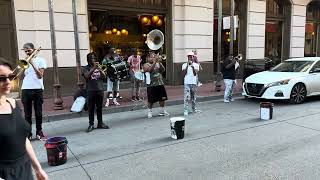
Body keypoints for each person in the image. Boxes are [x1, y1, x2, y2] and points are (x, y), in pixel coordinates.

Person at [0, 57, 48, 180]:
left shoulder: (13, 103)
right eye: (1, 78)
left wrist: (38, 168)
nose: (8, 82)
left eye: (10, 77)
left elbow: (23, 138)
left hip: (24, 168)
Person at [21, 43, 46, 140]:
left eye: (29, 50)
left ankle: (39, 132)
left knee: (38, 113)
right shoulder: (25, 62)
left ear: (34, 50)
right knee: (27, 114)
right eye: (25, 51)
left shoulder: (41, 60)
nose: (27, 52)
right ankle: (28, 133)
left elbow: (40, 75)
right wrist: (24, 66)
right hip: (25, 89)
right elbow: (22, 77)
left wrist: (32, 63)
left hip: (37, 89)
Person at [82, 52, 109, 133]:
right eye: (91, 59)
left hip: (100, 89)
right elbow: (87, 76)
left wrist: (99, 69)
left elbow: (104, 77)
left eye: (94, 58)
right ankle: (91, 124)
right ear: (88, 60)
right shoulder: (85, 68)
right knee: (91, 108)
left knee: (99, 108)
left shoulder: (99, 67)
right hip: (91, 90)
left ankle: (100, 123)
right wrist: (93, 68)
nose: (93, 60)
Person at [143, 51, 169, 118]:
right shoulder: (146, 65)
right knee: (151, 100)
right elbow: (150, 70)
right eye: (151, 57)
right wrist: (155, 62)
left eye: (154, 57)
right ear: (148, 58)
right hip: (151, 85)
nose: (153, 58)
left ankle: (162, 110)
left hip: (160, 83)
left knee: (162, 98)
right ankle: (150, 111)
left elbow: (163, 70)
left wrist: (160, 62)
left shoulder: (158, 63)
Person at [182, 52, 201, 116]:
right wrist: (187, 66)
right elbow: (183, 74)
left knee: (193, 97)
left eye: (191, 56)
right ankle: (185, 110)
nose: (190, 58)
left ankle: (194, 109)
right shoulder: (184, 65)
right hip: (187, 82)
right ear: (187, 57)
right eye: (189, 56)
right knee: (186, 97)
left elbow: (195, 73)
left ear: (193, 57)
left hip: (193, 83)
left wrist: (192, 66)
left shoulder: (196, 65)